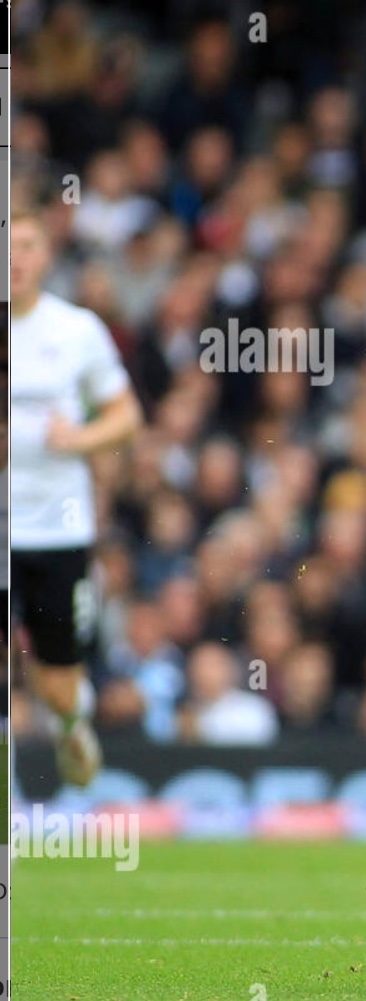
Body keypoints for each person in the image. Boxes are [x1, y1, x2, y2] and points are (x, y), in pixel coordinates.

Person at [8, 207, 144, 787]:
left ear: (45, 256)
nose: (15, 259)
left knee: (57, 679)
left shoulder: (76, 330)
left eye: (27, 246)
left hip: (56, 529)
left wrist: (77, 439)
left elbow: (127, 417)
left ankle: (70, 724)